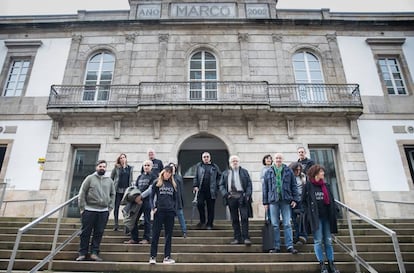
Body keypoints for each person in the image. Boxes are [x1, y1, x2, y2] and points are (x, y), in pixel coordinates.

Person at [302, 164, 340, 273]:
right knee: (318, 241)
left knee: (328, 241)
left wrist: (335, 210)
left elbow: (331, 199)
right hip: (316, 218)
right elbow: (303, 201)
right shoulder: (308, 186)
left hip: (327, 217)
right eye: (321, 172)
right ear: (315, 173)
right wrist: (308, 213)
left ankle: (331, 264)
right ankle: (322, 264)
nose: (323, 173)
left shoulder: (326, 185)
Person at [76, 160, 115, 262]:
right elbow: (82, 193)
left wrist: (110, 207)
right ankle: (82, 253)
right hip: (89, 210)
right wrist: (82, 208)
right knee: (85, 233)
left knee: (99, 232)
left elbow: (113, 194)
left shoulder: (109, 180)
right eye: (100, 166)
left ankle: (94, 253)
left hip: (103, 211)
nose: (102, 168)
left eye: (104, 167)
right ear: (96, 167)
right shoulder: (90, 178)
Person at [262, 153, 299, 254]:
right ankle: (276, 246)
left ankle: (290, 246)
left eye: (280, 158)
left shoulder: (288, 171)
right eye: (276, 158)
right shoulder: (268, 172)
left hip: (286, 200)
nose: (278, 159)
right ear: (274, 160)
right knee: (275, 224)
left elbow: (294, 185)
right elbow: (265, 188)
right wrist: (265, 202)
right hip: (273, 201)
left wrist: (295, 199)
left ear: (282, 159)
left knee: (287, 223)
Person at [219, 155, 253, 246]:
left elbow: (249, 184)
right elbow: (221, 185)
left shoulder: (244, 172)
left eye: (236, 161)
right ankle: (237, 238)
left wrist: (248, 194)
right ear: (230, 163)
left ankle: (246, 237)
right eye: (233, 161)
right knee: (234, 219)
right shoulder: (225, 173)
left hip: (242, 197)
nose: (234, 162)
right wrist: (225, 194)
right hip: (231, 197)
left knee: (244, 217)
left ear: (238, 162)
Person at [149, 165, 177, 265]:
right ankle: (152, 256)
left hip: (170, 212)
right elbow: (151, 197)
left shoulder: (172, 184)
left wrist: (174, 209)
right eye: (167, 172)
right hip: (159, 211)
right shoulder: (157, 182)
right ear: (163, 172)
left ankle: (167, 257)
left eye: (170, 173)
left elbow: (175, 198)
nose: (168, 174)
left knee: (168, 235)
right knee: (155, 234)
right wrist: (153, 208)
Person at [124, 160, 156, 244]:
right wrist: (135, 197)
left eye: (148, 165)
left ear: (151, 167)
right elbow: (136, 187)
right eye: (145, 165)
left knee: (147, 220)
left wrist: (141, 196)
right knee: (133, 219)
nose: (146, 167)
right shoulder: (140, 176)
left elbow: (151, 189)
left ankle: (146, 238)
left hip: (147, 201)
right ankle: (134, 238)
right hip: (137, 202)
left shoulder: (153, 176)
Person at [192, 152, 222, 230]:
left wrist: (217, 185)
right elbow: (195, 177)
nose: (206, 158)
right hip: (201, 190)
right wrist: (195, 186)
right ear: (202, 158)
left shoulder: (214, 166)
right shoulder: (199, 166)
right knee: (200, 204)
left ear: (210, 158)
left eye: (207, 157)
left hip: (211, 190)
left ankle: (209, 224)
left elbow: (220, 177)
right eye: (204, 157)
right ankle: (202, 221)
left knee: (210, 208)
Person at [110, 153, 134, 231]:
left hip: (126, 191)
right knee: (116, 207)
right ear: (119, 159)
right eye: (121, 158)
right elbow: (111, 178)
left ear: (126, 159)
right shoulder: (116, 168)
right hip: (117, 190)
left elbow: (130, 179)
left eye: (124, 157)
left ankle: (127, 225)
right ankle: (116, 225)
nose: (123, 159)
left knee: (128, 208)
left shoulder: (130, 168)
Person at [289, 162, 307, 245]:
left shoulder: (303, 176)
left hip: (302, 200)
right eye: (296, 170)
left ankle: (303, 236)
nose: (298, 171)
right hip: (293, 201)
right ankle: (297, 237)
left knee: (302, 220)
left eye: (299, 170)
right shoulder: (289, 176)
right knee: (294, 220)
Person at [169, 162, 188, 238]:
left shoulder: (178, 177)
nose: (172, 168)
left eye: (173, 167)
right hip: (169, 201)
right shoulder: (167, 177)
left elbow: (181, 190)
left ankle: (184, 231)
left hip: (177, 200)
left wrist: (182, 201)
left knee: (180, 216)